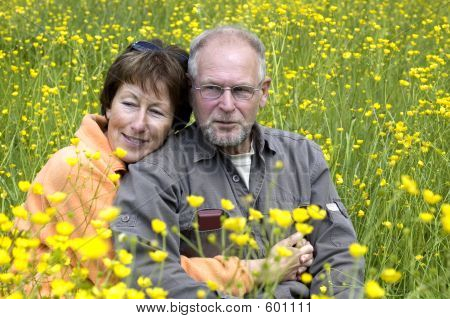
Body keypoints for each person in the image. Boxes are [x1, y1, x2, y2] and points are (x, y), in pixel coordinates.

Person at [20, 39, 312, 297]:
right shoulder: (77, 167)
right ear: (108, 106)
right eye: (130, 104)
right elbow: (129, 278)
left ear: (174, 125)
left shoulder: (156, 173)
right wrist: (258, 270)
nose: (139, 123)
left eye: (157, 111)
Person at [112, 26, 365, 299]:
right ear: (190, 91)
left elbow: (340, 253)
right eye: (212, 89)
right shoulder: (155, 173)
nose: (227, 105)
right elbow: (150, 275)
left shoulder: (303, 156)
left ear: (264, 92)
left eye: (242, 90)